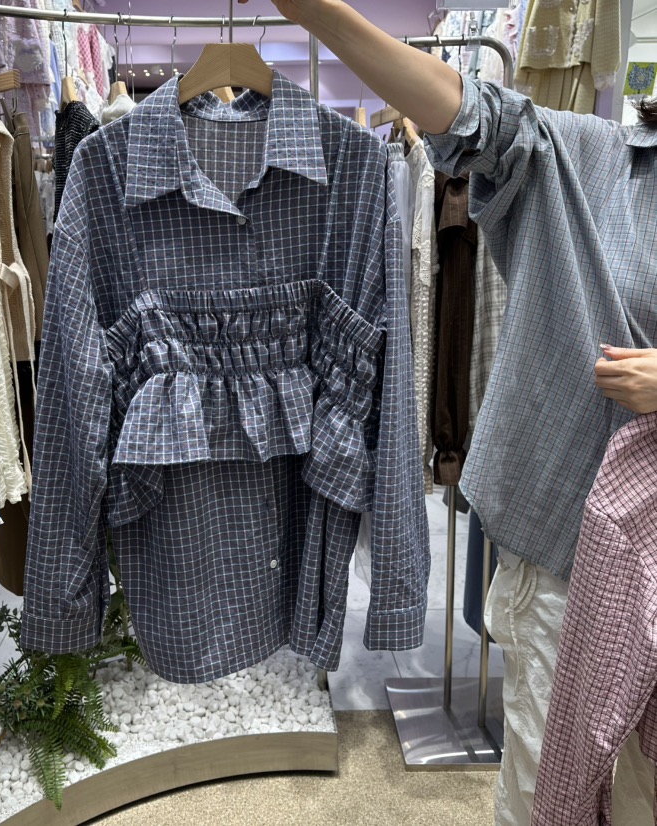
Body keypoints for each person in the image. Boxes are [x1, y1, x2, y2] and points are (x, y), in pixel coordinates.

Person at [268, 1, 657, 824]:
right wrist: (319, 13)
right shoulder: (596, 164)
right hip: (569, 548)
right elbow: (471, 117)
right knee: (549, 789)